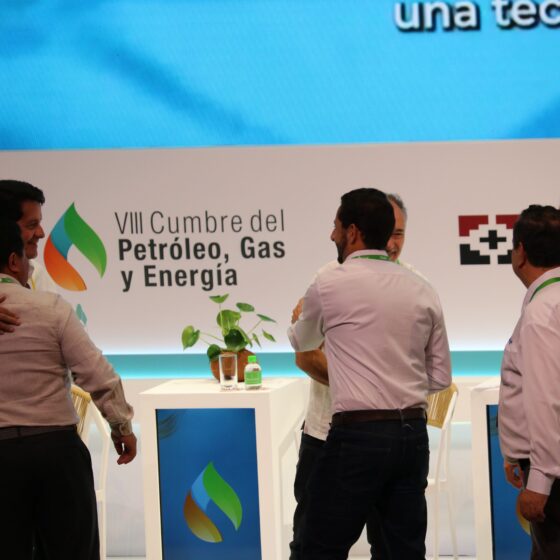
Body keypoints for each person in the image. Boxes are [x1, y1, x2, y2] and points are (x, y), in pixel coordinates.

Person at [288, 188, 451, 560]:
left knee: (317, 549)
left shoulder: (329, 283)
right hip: (409, 434)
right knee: (403, 552)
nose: (332, 234)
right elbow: (440, 377)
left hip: (354, 433)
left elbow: (302, 341)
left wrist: (366, 387)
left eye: (336, 226)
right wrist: (396, 385)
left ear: (352, 232)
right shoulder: (422, 288)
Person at [0, 219, 137, 560]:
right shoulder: (50, 308)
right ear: (14, 261)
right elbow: (98, 375)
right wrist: (121, 426)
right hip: (55, 454)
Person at [498, 204, 560, 559]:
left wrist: (539, 479)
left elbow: (546, 399)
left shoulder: (541, 312)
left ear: (520, 252)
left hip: (555, 480)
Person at [0, 179, 57, 334]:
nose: (41, 233)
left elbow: (60, 331)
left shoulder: (36, 273)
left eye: (39, 223)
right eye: (32, 225)